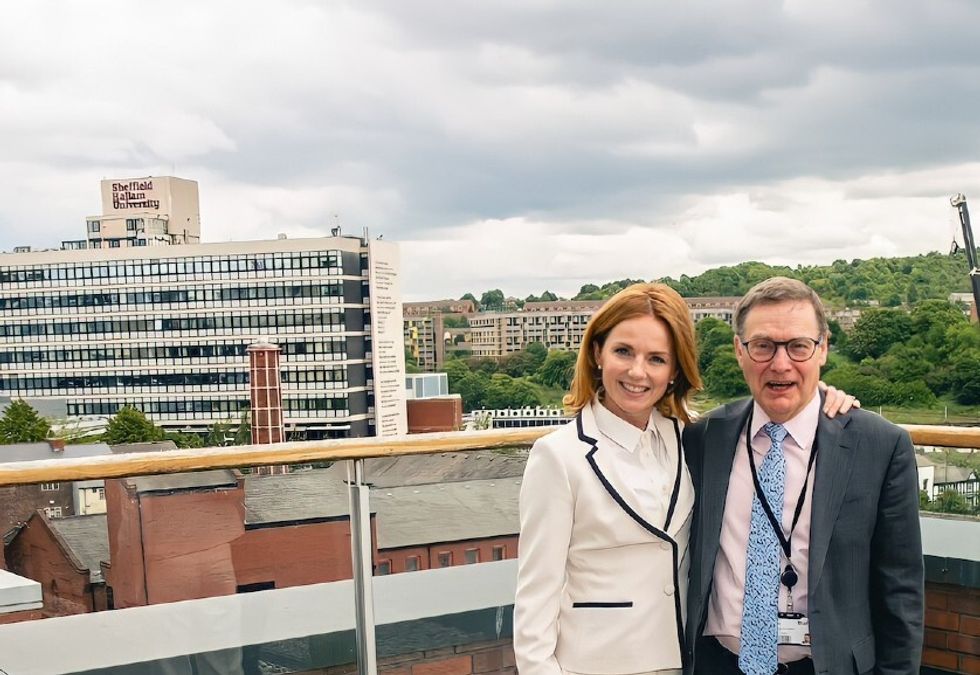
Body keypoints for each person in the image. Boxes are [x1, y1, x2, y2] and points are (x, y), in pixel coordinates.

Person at [513, 282, 855, 675]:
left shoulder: (688, 439)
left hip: (684, 661)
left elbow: (782, 400)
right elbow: (535, 602)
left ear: (675, 370)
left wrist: (819, 393)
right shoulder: (558, 456)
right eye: (623, 351)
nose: (637, 371)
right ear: (596, 353)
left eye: (657, 358)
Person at [683, 277, 923, 675]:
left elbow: (900, 589)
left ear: (822, 348)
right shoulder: (704, 438)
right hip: (716, 662)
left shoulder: (879, 446)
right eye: (763, 346)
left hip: (824, 666)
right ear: (739, 352)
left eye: (798, 346)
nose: (780, 364)